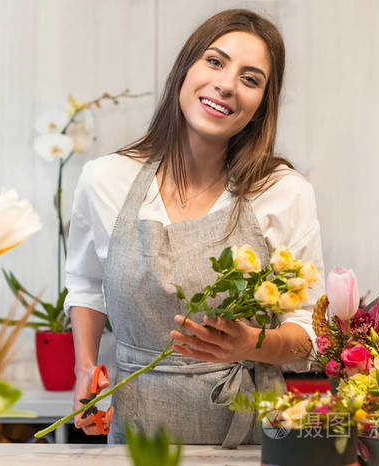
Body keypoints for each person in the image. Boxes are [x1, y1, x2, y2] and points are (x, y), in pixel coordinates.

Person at [64, 9, 325, 447]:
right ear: (185, 68)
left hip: (252, 439)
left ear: (263, 104)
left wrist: (250, 344)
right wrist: (87, 371)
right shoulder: (105, 179)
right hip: (136, 436)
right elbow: (88, 285)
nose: (226, 84)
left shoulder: (284, 192)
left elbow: (310, 336)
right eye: (215, 61)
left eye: (251, 78)